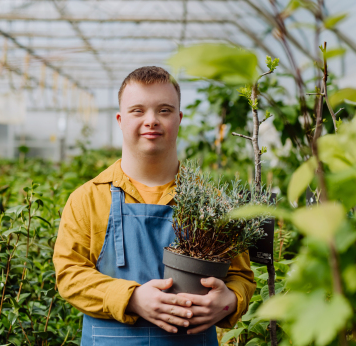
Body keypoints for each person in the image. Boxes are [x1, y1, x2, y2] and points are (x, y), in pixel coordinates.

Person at [53, 66, 256, 346]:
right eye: (138, 110)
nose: (151, 120)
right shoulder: (87, 199)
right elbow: (69, 275)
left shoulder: (214, 204)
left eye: (164, 110)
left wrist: (228, 300)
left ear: (179, 118)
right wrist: (132, 298)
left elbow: (241, 277)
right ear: (120, 120)